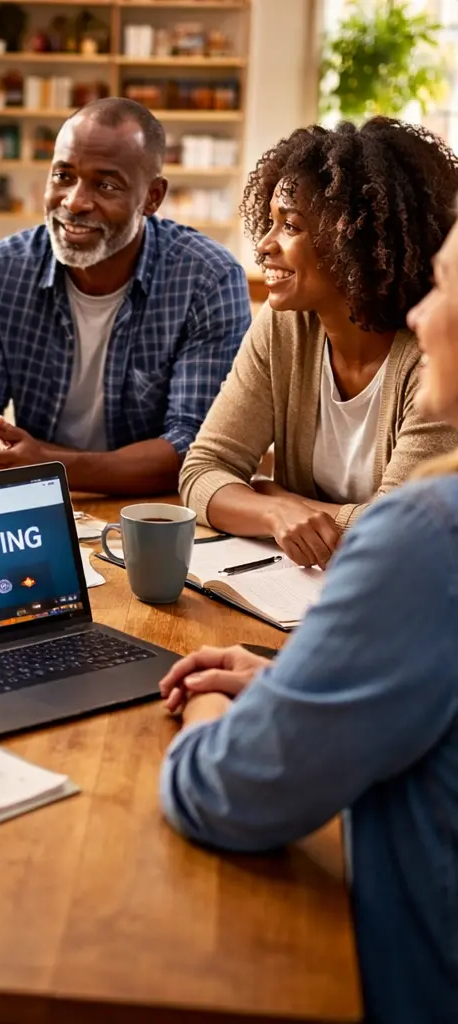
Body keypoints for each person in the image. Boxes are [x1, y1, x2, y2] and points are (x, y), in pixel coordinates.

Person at [157, 208, 458, 1021]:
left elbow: (224, 794)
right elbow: (205, 467)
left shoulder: (431, 533)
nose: (425, 312)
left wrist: (212, 700)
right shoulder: (282, 330)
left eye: (446, 289)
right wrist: (299, 678)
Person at [180, 118, 458, 569]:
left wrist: (277, 491)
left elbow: (397, 533)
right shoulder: (283, 326)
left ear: (359, 239)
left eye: (290, 226)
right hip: (290, 591)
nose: (264, 246)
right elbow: (202, 471)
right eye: (270, 223)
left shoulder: (436, 356)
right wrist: (275, 510)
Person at [0, 97, 251, 495]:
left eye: (106, 185)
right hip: (34, 502)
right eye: (63, 176)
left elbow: (197, 449)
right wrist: (17, 464)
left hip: (156, 512)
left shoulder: (207, 279)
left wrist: (48, 465)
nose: (75, 202)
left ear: (153, 197)